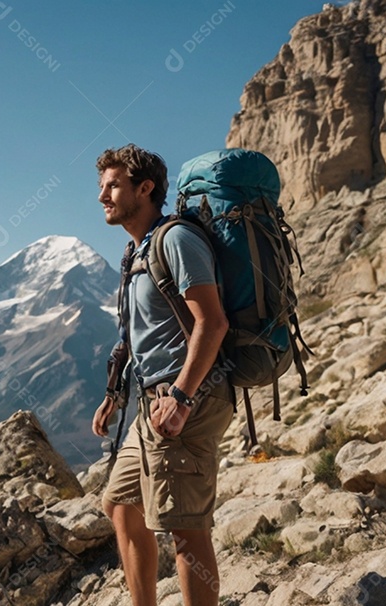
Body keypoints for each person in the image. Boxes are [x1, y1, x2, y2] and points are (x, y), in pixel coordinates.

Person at [91, 144, 232, 606]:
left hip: (189, 396)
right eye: (102, 186)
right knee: (120, 505)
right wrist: (115, 394)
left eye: (113, 185)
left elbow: (212, 322)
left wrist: (182, 397)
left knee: (185, 530)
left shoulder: (176, 241)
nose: (102, 196)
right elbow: (136, 333)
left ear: (145, 188)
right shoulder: (137, 251)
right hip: (154, 400)